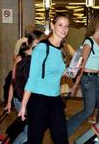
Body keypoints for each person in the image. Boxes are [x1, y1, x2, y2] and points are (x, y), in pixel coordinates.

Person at [18, 15, 70, 144]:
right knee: (35, 139)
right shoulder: (42, 48)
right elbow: (32, 78)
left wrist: (71, 70)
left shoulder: (62, 49)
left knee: (61, 138)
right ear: (52, 26)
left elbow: (57, 72)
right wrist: (23, 106)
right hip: (38, 100)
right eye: (60, 25)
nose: (64, 29)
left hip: (55, 99)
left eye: (66, 26)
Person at [67, 16, 99, 136]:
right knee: (88, 111)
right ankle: (66, 129)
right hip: (88, 79)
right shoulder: (88, 42)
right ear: (96, 25)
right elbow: (82, 64)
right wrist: (76, 84)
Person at [5, 30, 44, 144]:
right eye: (39, 42)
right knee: (30, 130)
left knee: (33, 129)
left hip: (35, 98)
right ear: (32, 42)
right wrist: (8, 102)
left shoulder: (41, 58)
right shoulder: (21, 57)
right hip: (21, 98)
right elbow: (13, 81)